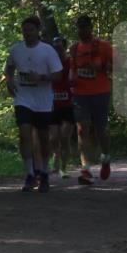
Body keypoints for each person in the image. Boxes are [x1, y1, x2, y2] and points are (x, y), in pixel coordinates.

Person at [4, 16, 63, 193]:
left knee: (44, 138)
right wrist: (8, 81)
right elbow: (9, 68)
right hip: (23, 99)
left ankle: (44, 172)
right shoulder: (16, 50)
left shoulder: (47, 51)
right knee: (24, 134)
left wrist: (41, 77)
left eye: (30, 30)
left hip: (43, 101)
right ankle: (30, 173)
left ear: (38, 31)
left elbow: (58, 75)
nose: (27, 33)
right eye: (25, 30)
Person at [68, 15, 114, 184]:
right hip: (81, 94)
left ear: (90, 27)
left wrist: (101, 65)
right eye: (79, 27)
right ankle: (86, 169)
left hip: (100, 92)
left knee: (100, 129)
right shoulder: (74, 48)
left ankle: (106, 158)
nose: (82, 30)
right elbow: (72, 69)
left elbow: (119, 66)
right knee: (82, 129)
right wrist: (71, 78)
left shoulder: (103, 46)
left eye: (85, 27)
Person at [49, 36, 76, 179]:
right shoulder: (50, 63)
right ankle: (56, 159)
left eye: (59, 47)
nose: (57, 49)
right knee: (53, 138)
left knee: (65, 137)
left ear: (64, 47)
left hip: (69, 104)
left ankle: (63, 168)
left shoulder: (70, 62)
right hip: (53, 104)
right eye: (55, 47)